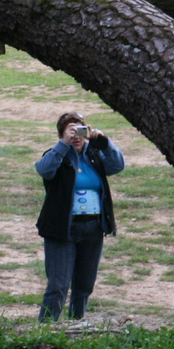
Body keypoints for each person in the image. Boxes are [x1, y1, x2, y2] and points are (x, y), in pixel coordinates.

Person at [35, 110, 124, 321]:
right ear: (61, 135)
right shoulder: (56, 156)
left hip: (93, 227)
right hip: (63, 229)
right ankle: (46, 328)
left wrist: (105, 143)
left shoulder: (94, 157)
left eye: (80, 131)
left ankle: (76, 324)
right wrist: (62, 146)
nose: (76, 137)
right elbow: (44, 170)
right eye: (70, 132)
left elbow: (117, 165)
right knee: (58, 285)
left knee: (84, 285)